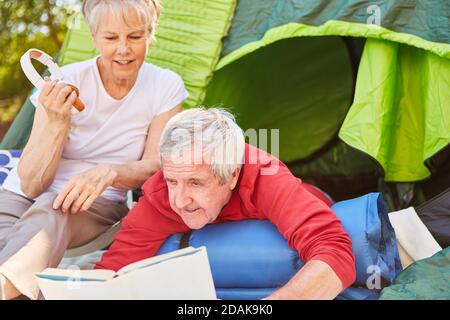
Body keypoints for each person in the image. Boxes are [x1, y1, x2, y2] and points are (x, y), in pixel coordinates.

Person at [0, 0, 189, 300]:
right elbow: (31, 183)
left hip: (93, 205)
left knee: (51, 212)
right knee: (16, 261)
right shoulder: (64, 82)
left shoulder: (165, 86)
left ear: (151, 34)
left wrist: (109, 172)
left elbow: (155, 166)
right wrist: (57, 122)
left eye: (135, 37)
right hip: (21, 195)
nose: (123, 49)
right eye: (111, 38)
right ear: (94, 35)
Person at [96, 108, 356, 299]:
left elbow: (335, 251)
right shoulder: (162, 195)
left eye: (196, 183)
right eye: (173, 181)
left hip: (316, 198)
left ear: (232, 175)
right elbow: (109, 273)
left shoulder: (265, 176)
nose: (180, 199)